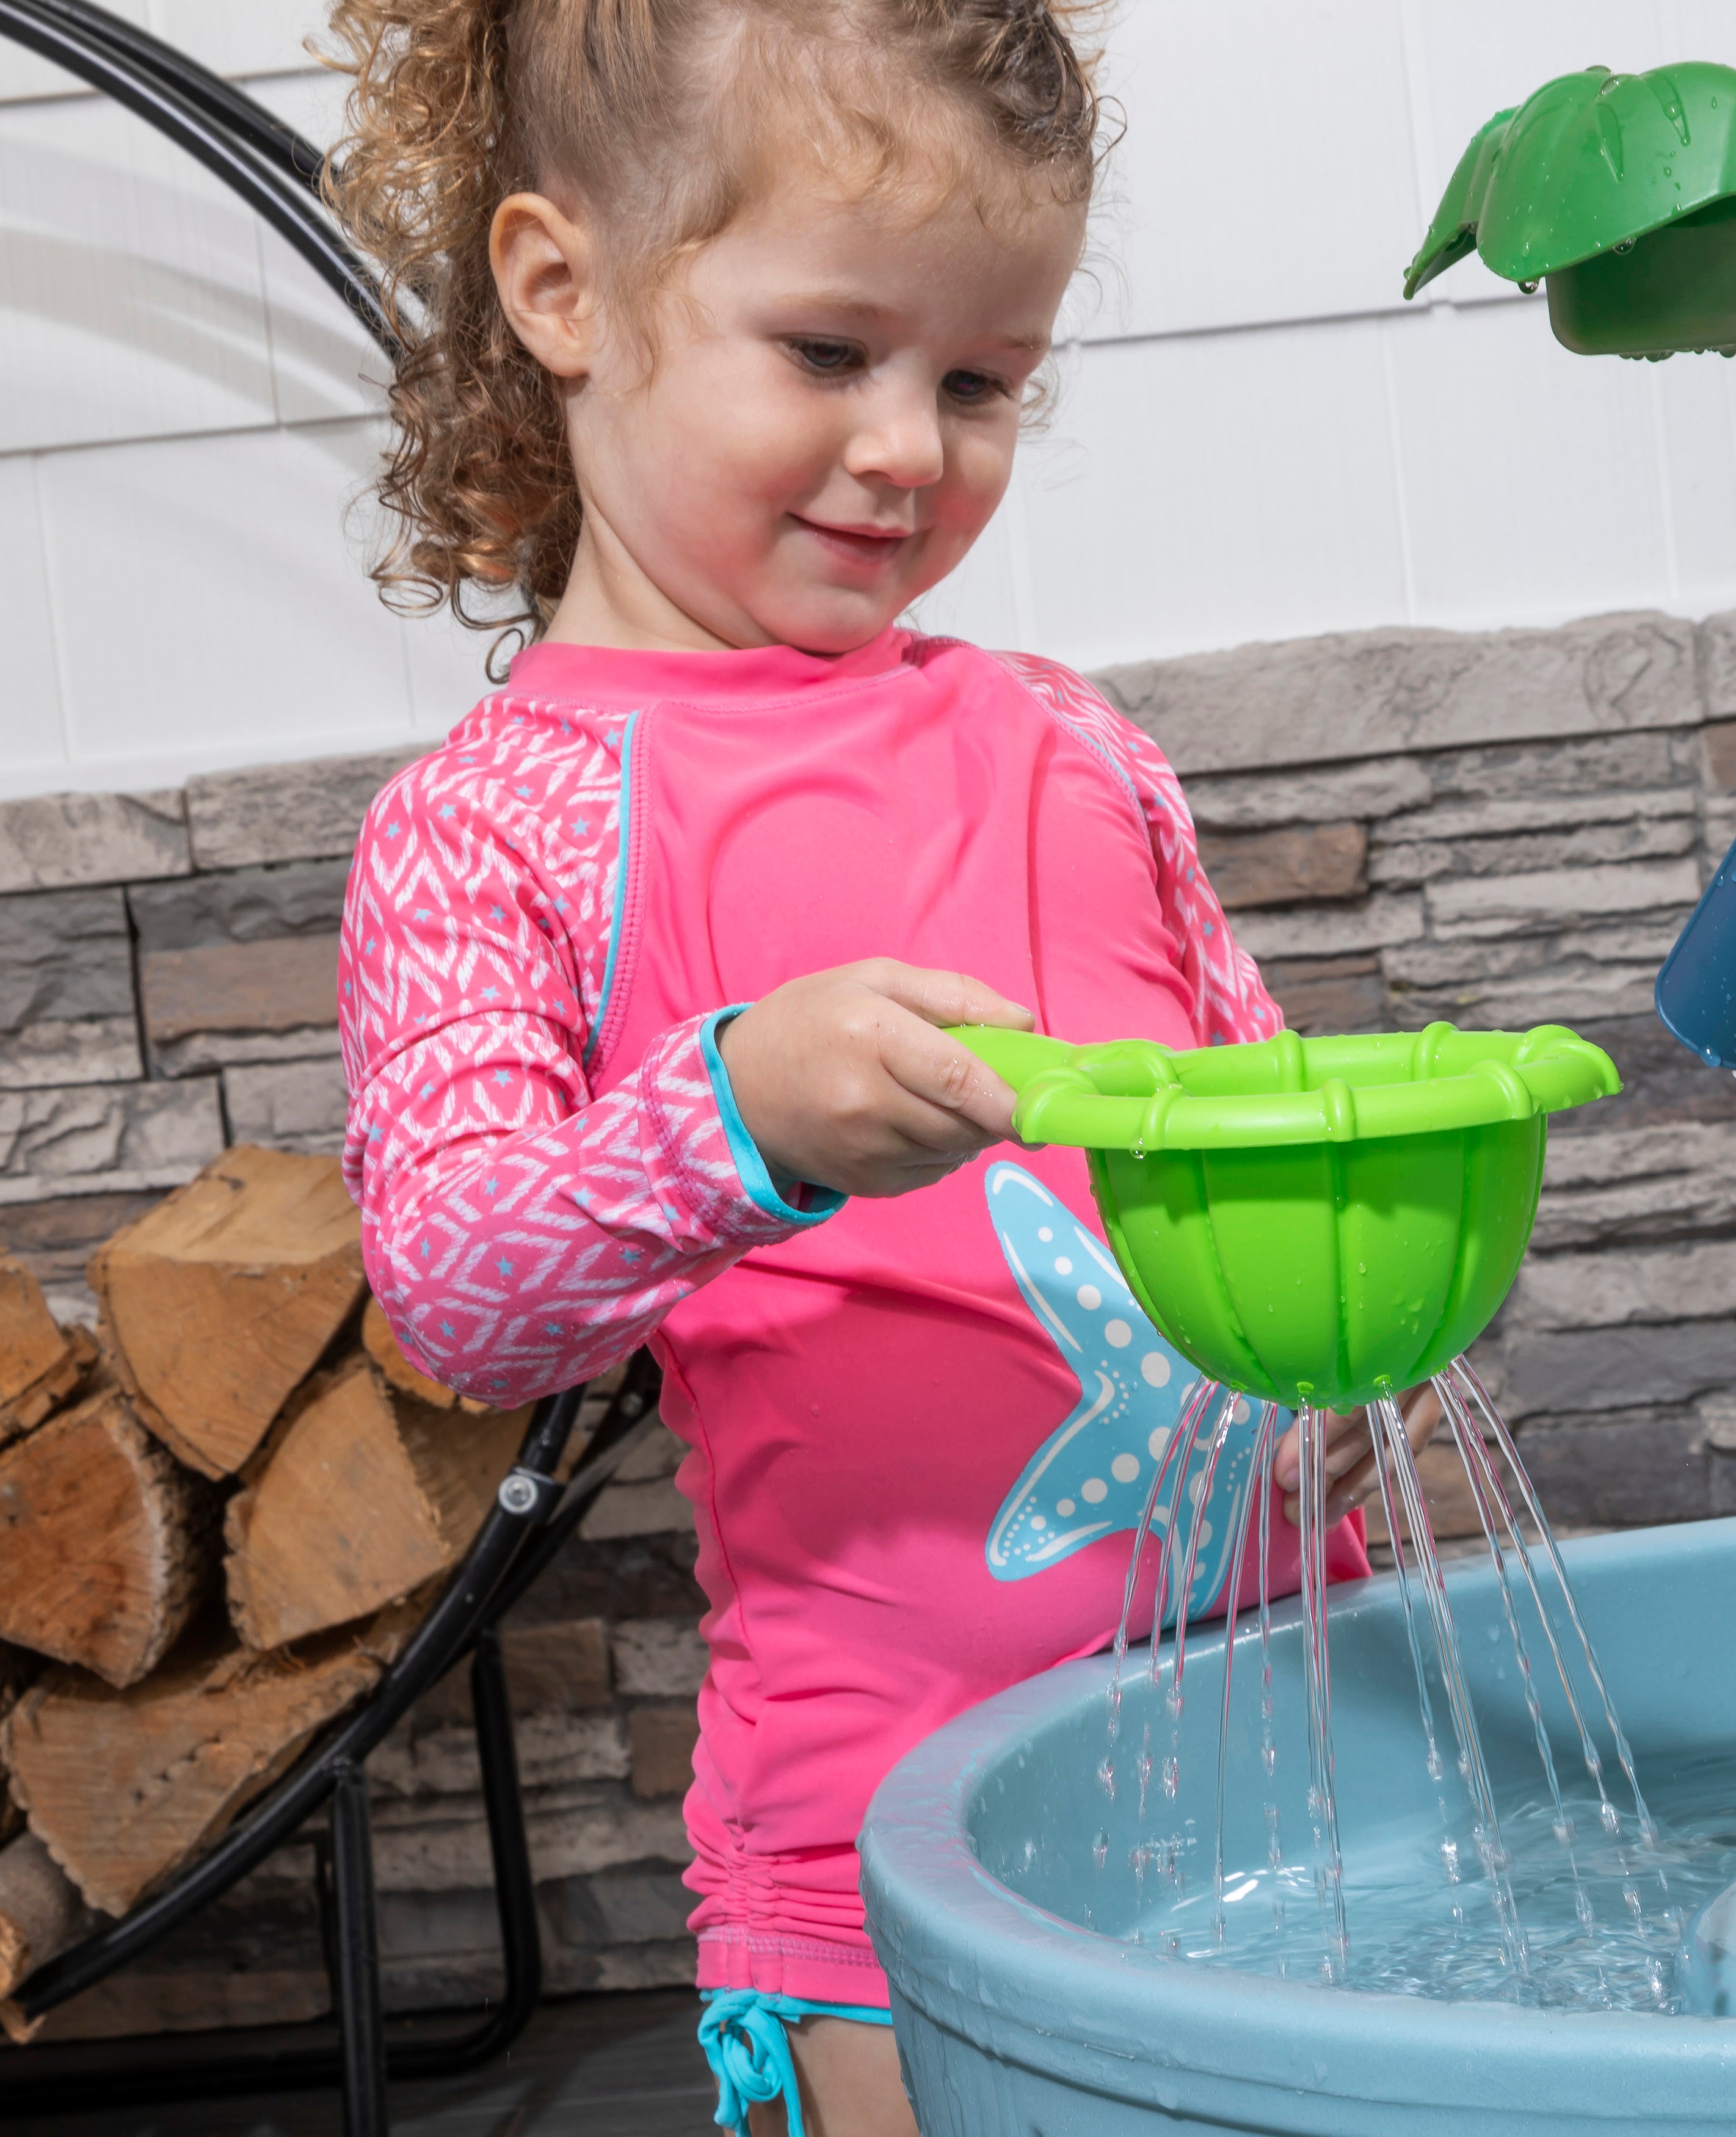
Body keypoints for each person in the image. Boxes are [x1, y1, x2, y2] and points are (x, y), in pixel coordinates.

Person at [327, 4, 1412, 2128]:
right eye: (830, 353)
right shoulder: (499, 820)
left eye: (979, 379)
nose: (912, 445)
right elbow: (453, 1295)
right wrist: (737, 1112)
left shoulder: (1068, 741)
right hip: (883, 1842)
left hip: (1310, 1732)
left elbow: (1261, 1136)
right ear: (563, 290)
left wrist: (1337, 1372)